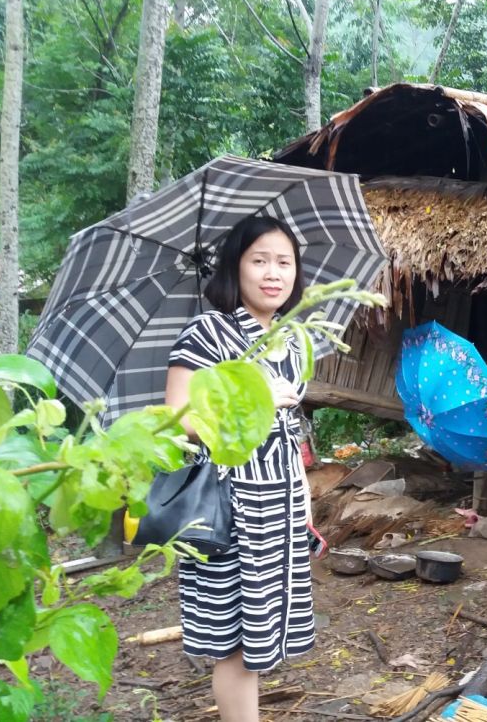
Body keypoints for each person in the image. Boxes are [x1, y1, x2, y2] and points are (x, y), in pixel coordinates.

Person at [165, 215, 315, 721]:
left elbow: (289, 434)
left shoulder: (291, 340)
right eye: (260, 261)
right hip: (228, 505)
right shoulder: (208, 331)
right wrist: (252, 403)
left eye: (284, 262)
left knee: (261, 635)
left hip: (280, 501)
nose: (273, 273)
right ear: (236, 266)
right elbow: (175, 419)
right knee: (232, 642)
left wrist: (305, 499)